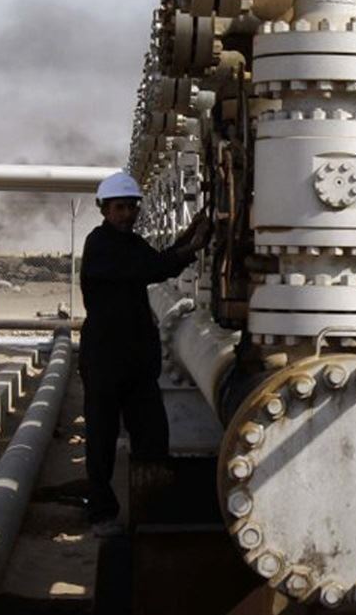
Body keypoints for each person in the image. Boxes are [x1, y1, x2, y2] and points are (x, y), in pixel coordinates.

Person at [79, 171, 211, 535]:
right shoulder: (99, 245)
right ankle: (101, 513)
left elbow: (161, 261)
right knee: (102, 437)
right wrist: (193, 245)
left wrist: (192, 233)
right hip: (104, 358)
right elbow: (154, 267)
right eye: (120, 208)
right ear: (104, 210)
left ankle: (150, 508)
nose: (127, 214)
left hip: (137, 358)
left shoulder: (131, 243)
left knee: (152, 434)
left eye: (132, 207)